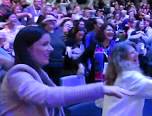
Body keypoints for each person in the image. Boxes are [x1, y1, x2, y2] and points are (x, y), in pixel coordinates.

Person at [0, 26, 132, 116]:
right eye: (45, 44)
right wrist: (102, 89)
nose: (51, 49)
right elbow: (47, 96)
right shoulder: (18, 75)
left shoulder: (35, 71)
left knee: (98, 107)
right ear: (27, 49)